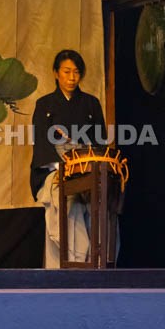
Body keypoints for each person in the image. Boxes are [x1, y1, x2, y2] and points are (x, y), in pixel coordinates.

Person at [30, 49, 107, 268]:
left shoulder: (91, 104)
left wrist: (91, 163)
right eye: (66, 72)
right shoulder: (45, 105)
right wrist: (60, 169)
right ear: (56, 73)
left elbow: (99, 141)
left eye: (76, 72)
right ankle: (71, 261)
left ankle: (96, 261)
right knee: (67, 200)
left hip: (87, 168)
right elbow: (42, 144)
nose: (72, 77)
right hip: (55, 170)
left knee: (100, 201)